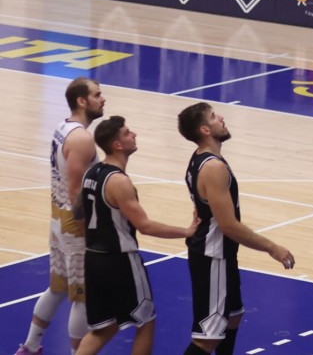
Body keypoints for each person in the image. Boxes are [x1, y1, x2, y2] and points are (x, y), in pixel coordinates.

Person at [177, 102, 296, 355]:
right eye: (213, 116)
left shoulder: (201, 158)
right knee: (207, 337)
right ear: (205, 130)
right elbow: (229, 226)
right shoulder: (213, 167)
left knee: (233, 316)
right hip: (213, 256)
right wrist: (272, 247)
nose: (220, 117)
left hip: (220, 253)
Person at [75, 116, 199, 355]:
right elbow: (145, 226)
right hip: (120, 260)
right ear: (117, 145)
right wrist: (187, 231)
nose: (134, 135)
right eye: (127, 133)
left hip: (93, 258)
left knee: (104, 328)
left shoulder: (91, 173)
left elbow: (78, 213)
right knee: (146, 322)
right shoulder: (119, 181)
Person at [15, 77, 105, 355]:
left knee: (58, 288)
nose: (102, 99)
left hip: (58, 215)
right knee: (82, 296)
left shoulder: (62, 128)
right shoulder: (82, 139)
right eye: (97, 95)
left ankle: (30, 346)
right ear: (81, 100)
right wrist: (89, 231)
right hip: (74, 224)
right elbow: (77, 192)